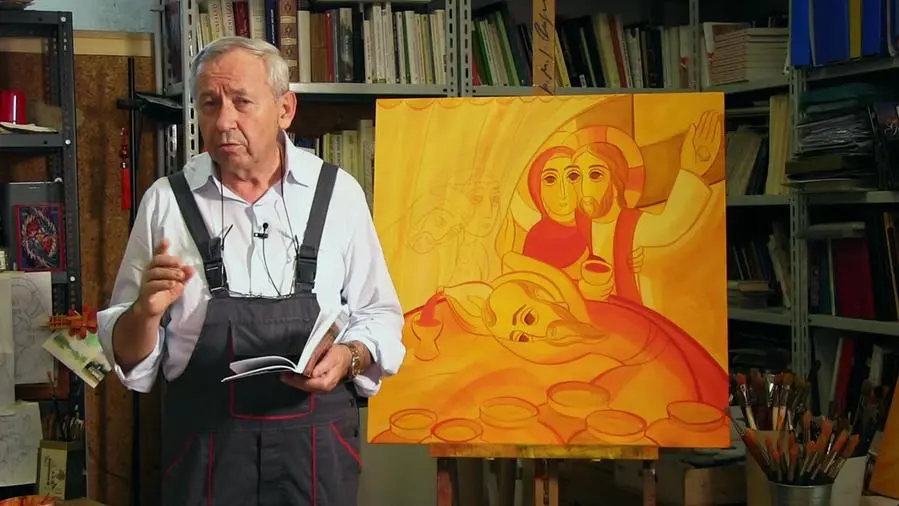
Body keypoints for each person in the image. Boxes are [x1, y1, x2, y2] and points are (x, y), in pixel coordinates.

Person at [97, 36, 405, 506]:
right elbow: (130, 362)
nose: (224, 121)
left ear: (285, 109)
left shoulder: (338, 194)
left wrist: (351, 356)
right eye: (209, 104)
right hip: (206, 457)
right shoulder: (166, 202)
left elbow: (380, 314)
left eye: (241, 102)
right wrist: (144, 313)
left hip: (316, 457)